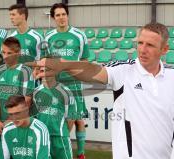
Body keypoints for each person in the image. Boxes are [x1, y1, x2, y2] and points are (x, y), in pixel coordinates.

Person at [28, 22, 174, 159]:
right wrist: (64, 64)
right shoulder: (123, 70)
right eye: (140, 43)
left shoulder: (172, 77)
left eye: (150, 45)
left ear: (164, 49)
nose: (142, 49)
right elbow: (93, 71)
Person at [43, 3, 90, 159]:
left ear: (67, 15)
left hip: (74, 83)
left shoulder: (79, 35)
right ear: (53, 18)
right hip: (55, 84)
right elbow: (46, 60)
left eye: (63, 14)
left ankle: (81, 153)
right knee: (60, 117)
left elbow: (84, 60)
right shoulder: (48, 37)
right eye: (58, 15)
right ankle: (63, 146)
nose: (61, 17)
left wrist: (72, 68)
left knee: (76, 117)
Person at [0, 37, 35, 136]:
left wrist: (9, 121)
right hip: (1, 124)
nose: (5, 56)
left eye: (9, 53)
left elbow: (27, 100)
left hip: (19, 123)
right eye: (3, 52)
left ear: (18, 53)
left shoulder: (25, 72)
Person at [33, 69, 76, 159]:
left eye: (47, 71)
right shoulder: (36, 92)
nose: (44, 74)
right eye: (41, 71)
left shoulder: (65, 92)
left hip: (59, 137)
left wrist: (63, 133)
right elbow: (35, 116)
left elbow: (71, 117)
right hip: (42, 137)